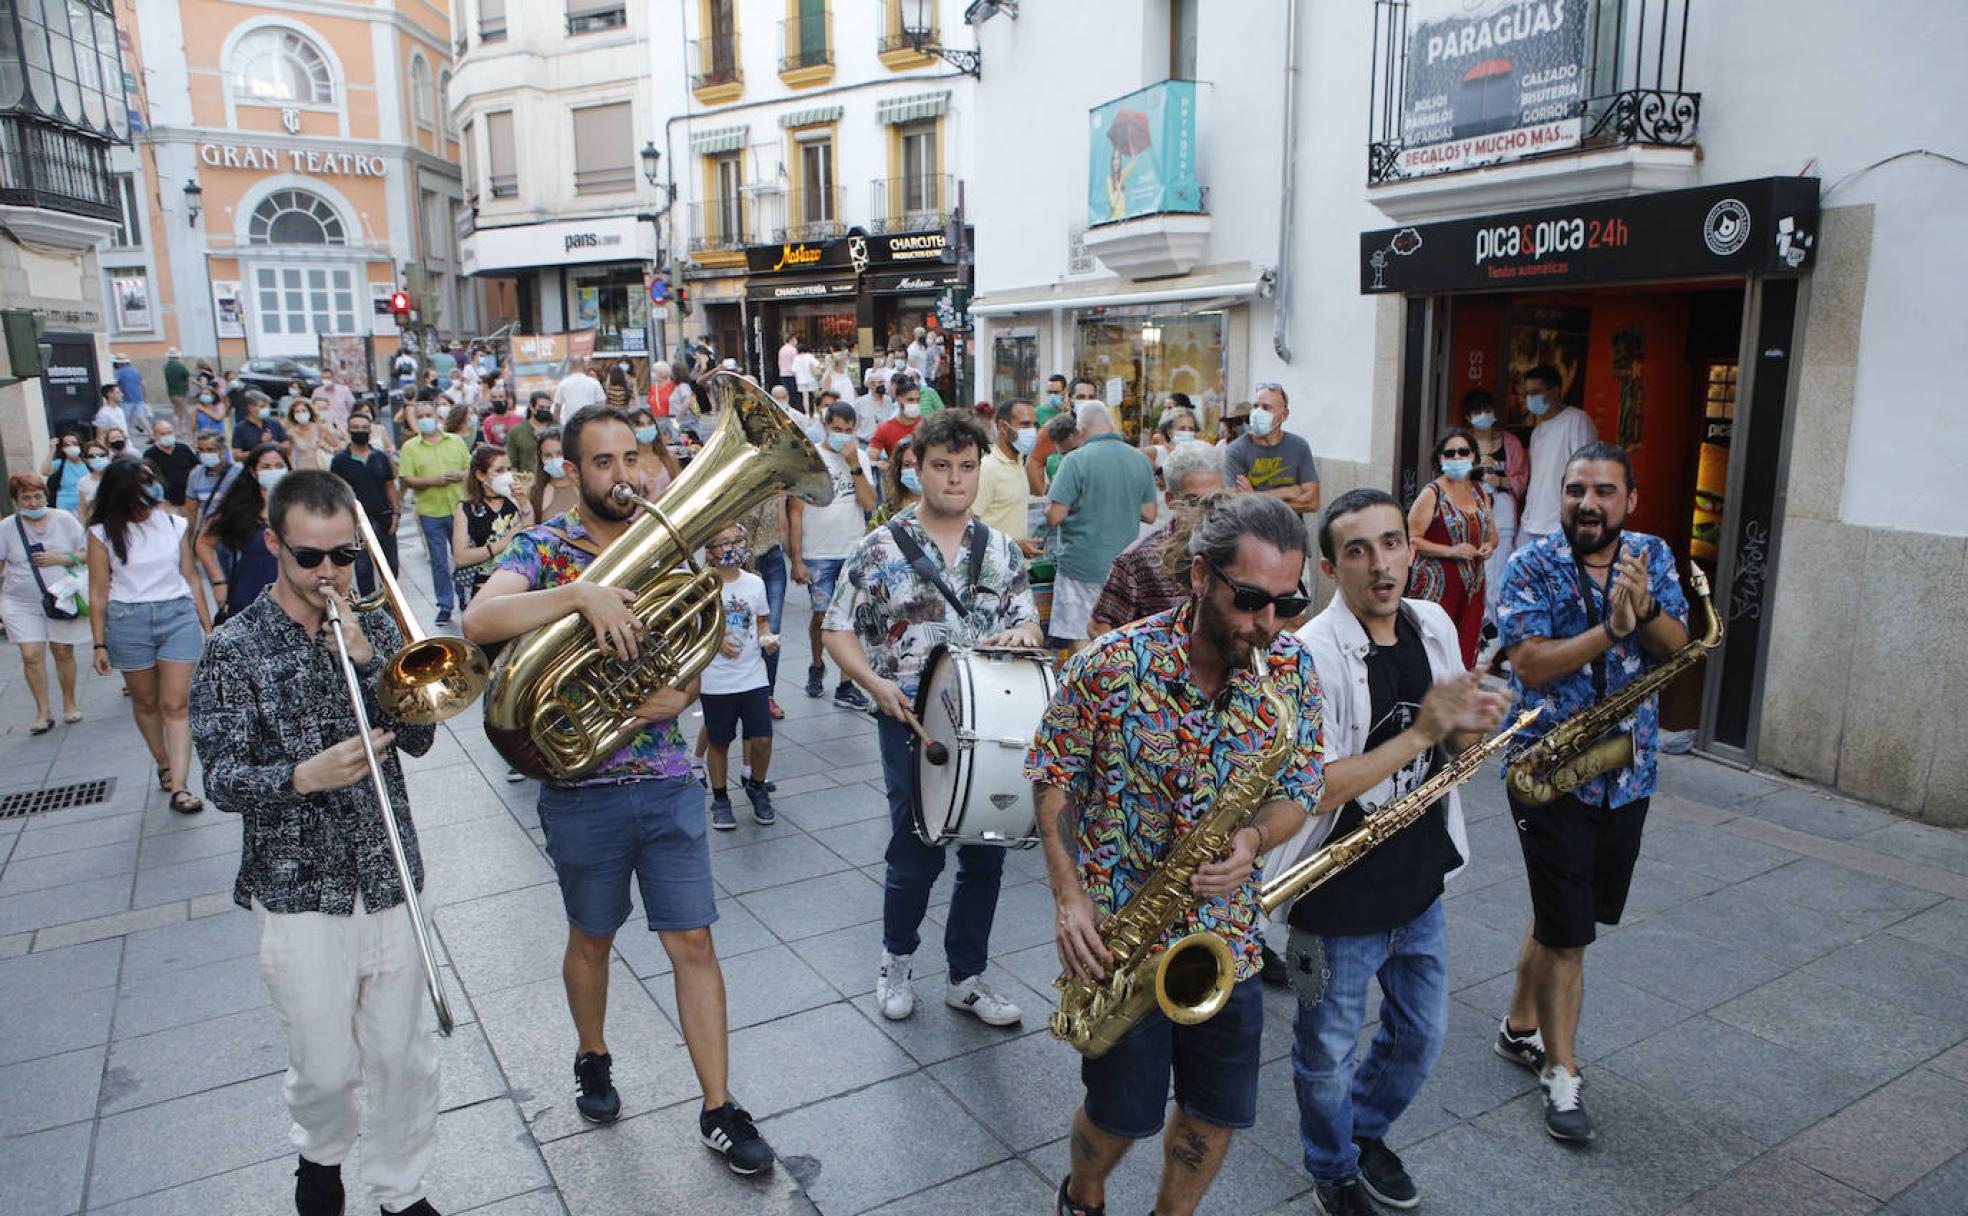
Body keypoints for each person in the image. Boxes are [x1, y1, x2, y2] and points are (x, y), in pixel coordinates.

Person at [462, 404, 775, 1176]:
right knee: (592, 939)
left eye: (630, 458)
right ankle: (593, 1054)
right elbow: (479, 619)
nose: (622, 475)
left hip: (667, 775)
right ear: (573, 473)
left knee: (693, 941)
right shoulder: (544, 545)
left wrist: (686, 692)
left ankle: (719, 1107)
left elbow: (695, 635)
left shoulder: (668, 543)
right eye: (603, 462)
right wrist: (578, 596)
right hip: (581, 785)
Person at [1028, 492, 1323, 1216]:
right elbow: (1053, 777)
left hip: (1224, 942)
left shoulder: (1290, 674)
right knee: (1120, 1114)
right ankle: (1084, 1193)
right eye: (1251, 599)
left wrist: (1253, 838)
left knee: (1215, 1113)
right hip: (1121, 944)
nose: (1268, 625)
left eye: (1288, 604)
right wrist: (1070, 897)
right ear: (1200, 576)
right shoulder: (1109, 664)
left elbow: (1301, 787)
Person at [188, 471, 444, 1216]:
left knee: (403, 1057)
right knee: (325, 1067)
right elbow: (224, 779)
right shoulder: (232, 648)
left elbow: (422, 739)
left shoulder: (380, 630)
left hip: (389, 870)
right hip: (298, 888)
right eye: (309, 557)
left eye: (344, 556)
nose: (328, 573)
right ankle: (322, 1155)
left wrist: (370, 660)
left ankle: (401, 1189)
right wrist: (301, 776)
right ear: (273, 546)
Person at [1269, 488, 1510, 1215]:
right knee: (1327, 1052)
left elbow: (1450, 739)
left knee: (1421, 1036)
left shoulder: (1431, 622)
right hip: (1337, 893)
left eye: (1393, 543)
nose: (1382, 565)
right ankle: (1332, 1166)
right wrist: (1421, 733)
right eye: (1358, 550)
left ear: (1412, 547)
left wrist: (1472, 724)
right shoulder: (1306, 654)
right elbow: (1309, 788)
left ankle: (1361, 1134)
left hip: (1419, 875)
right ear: (1327, 566)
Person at [1494, 441, 1690, 1143]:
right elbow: (1531, 664)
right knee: (1570, 936)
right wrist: (1610, 629)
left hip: (1627, 770)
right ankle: (1562, 1072)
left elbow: (1678, 647)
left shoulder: (1654, 555)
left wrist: (1646, 611)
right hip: (1548, 773)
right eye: (1577, 489)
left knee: (1566, 916)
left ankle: (1519, 1025)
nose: (1589, 502)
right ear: (1563, 496)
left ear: (1628, 500)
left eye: (1605, 490)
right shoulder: (1532, 564)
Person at [823, 410, 1041, 1029]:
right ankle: (896, 959)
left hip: (991, 719)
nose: (955, 479)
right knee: (916, 848)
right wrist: (873, 682)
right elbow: (836, 628)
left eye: (966, 467)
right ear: (915, 469)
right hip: (912, 721)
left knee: (987, 851)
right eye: (941, 466)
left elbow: (1027, 619)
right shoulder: (878, 547)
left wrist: (1025, 631)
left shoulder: (1000, 549)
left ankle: (966, 977)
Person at [87, 457, 211, 814]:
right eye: (141, 485)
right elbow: (98, 590)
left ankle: (181, 785)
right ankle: (164, 763)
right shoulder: (102, 533)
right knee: (145, 702)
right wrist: (99, 642)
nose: (150, 491)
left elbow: (190, 577)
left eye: (150, 481)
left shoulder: (175, 524)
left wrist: (207, 626)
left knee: (176, 703)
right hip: (128, 620)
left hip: (177, 614)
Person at [1044, 401, 1159, 653]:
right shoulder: (1139, 459)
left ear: (1081, 430)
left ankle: (1087, 688)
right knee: (1119, 641)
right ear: (1110, 425)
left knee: (1080, 635)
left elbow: (1055, 515)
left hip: (1080, 566)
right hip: (1122, 570)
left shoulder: (1074, 460)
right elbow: (1150, 514)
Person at [1088, 438, 1226, 636]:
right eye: (1193, 500)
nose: (1204, 510)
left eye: (1214, 499)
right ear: (1171, 500)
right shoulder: (1138, 560)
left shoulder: (1237, 549)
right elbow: (1100, 628)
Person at [789, 401, 876, 709]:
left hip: (852, 550)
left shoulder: (861, 458)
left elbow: (868, 503)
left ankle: (846, 683)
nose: (843, 435)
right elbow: (796, 513)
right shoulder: (811, 460)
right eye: (837, 429)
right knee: (821, 617)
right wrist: (797, 559)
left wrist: (854, 464)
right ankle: (816, 665)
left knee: (849, 620)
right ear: (826, 426)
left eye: (848, 430)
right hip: (818, 553)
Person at [699, 521, 778, 830]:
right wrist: (716, 641)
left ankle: (757, 787)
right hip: (716, 679)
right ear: (709, 552)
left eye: (738, 540)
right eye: (724, 542)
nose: (733, 548)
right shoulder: (701, 586)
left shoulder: (754, 584)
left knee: (762, 737)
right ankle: (720, 799)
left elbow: (761, 622)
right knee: (719, 741)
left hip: (752, 674)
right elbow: (692, 631)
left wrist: (767, 637)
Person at [2, 473, 89, 732]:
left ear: (46, 495)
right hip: (19, 601)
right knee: (30, 655)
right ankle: (43, 710)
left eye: (38, 496)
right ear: (16, 501)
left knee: (62, 650)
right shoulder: (7, 527)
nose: (33, 503)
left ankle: (69, 702)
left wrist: (61, 559)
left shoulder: (63, 519)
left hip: (61, 598)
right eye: (26, 498)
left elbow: (87, 553)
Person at [1407, 428, 1498, 667]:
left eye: (1463, 452)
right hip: (1437, 588)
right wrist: (1451, 551)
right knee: (1431, 651)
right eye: (1450, 453)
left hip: (1472, 587)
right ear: (1440, 458)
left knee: (1465, 649)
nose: (1457, 457)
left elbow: (1492, 534)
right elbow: (1413, 539)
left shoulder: (1480, 492)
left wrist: (1489, 546)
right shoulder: (1432, 493)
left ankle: (1457, 701)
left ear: (1474, 456)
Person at [397, 400, 471, 625]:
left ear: (437, 416)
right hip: (431, 511)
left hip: (458, 508)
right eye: (420, 416)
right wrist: (432, 481)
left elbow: (470, 468)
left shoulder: (456, 441)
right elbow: (407, 478)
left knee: (463, 558)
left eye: (428, 414)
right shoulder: (410, 447)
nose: (425, 419)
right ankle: (445, 606)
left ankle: (465, 600)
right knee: (439, 561)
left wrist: (460, 475)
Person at [200, 444, 292, 621]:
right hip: (248, 600)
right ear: (253, 472)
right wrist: (219, 581)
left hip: (294, 600)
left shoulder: (303, 505)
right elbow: (204, 542)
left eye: (279, 466)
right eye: (266, 467)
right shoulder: (240, 508)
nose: (273, 471)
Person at [1514, 364, 1596, 552]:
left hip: (1559, 525)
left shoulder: (1576, 420)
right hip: (1530, 522)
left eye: (1535, 392)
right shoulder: (1537, 431)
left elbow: (1588, 472)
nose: (1530, 399)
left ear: (1556, 391)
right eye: (1527, 393)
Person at [1464, 389, 1528, 624]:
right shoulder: (1463, 442)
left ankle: (1493, 629)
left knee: (1496, 574)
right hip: (1470, 512)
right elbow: (1447, 476)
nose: (1483, 415)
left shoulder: (1510, 443)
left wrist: (1500, 480)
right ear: (1468, 417)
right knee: (1472, 573)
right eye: (1477, 412)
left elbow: (1522, 480)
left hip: (1501, 515)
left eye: (1487, 410)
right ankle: (1473, 625)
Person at [450, 444, 533, 611]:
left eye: (508, 469)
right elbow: (460, 557)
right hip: (483, 589)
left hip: (518, 585)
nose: (507, 475)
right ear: (481, 475)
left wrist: (524, 502)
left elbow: (530, 532)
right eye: (499, 471)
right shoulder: (467, 508)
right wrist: (503, 543)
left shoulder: (514, 500)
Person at [1223, 382, 1320, 517]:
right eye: (1256, 406)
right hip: (1253, 533)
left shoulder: (1299, 446)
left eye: (1266, 407)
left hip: (1291, 533)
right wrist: (1289, 491)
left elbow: (1312, 503)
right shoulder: (1236, 450)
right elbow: (1236, 504)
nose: (1258, 412)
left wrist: (1256, 496)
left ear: (1284, 415)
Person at [330, 415, 400, 598]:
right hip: (357, 524)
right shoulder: (339, 461)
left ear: (370, 431)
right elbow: (336, 494)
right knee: (363, 570)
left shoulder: (380, 457)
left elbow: (390, 486)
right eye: (355, 427)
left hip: (384, 519)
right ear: (349, 430)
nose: (360, 431)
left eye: (364, 427)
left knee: (391, 567)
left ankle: (390, 604)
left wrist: (396, 513)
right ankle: (371, 611)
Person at [975, 397, 1041, 557]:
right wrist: (1014, 545)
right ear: (1004, 427)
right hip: (993, 569)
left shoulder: (1017, 461)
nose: (1032, 431)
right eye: (1025, 424)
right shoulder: (987, 468)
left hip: (1017, 567)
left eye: (1034, 425)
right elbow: (969, 526)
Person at [143, 419, 198, 512]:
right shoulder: (150, 454)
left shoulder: (183, 449)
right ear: (155, 436)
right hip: (167, 503)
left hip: (188, 500)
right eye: (163, 434)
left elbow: (196, 468)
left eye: (169, 432)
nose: (167, 436)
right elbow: (148, 479)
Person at [628, 406, 682, 497]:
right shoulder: (628, 463)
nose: (646, 428)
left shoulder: (668, 457)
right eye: (640, 425)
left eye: (649, 423)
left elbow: (681, 488)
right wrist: (643, 493)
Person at [869, 438, 921, 528]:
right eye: (907, 465)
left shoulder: (946, 508)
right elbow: (870, 539)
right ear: (899, 470)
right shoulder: (888, 509)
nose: (914, 471)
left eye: (920, 464)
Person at [869, 374, 923, 458]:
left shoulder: (927, 425)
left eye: (918, 400)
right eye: (910, 400)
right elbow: (870, 456)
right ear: (898, 399)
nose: (915, 404)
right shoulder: (885, 429)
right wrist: (877, 463)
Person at [531, 430, 581, 521]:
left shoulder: (585, 487)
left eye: (559, 454)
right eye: (548, 455)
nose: (555, 460)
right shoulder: (535, 493)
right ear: (541, 458)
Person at [286, 394, 340, 472]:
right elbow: (289, 455)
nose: (300, 414)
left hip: (322, 469)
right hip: (303, 470)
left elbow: (338, 448)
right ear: (293, 415)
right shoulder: (290, 433)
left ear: (310, 412)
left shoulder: (320, 428)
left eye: (303, 410)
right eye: (297, 412)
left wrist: (327, 448)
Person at [506, 391, 552, 476]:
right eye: (541, 407)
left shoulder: (556, 429)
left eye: (548, 408)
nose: (545, 411)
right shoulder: (517, 431)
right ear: (532, 407)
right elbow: (512, 463)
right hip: (527, 480)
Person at [233, 393, 289, 461]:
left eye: (268, 406)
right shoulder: (240, 428)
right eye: (262, 406)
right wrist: (260, 448)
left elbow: (287, 446)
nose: (266, 409)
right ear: (250, 407)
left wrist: (272, 443)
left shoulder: (274, 423)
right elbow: (236, 455)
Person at [45, 432, 90, 515]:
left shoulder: (88, 464)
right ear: (62, 448)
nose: (71, 447)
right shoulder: (60, 464)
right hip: (65, 509)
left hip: (86, 507)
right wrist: (52, 450)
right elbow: (45, 471)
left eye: (75, 443)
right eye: (67, 444)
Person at [553, 357, 605, 424]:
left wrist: (559, 424)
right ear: (584, 365)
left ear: (570, 366)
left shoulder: (563, 384)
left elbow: (557, 408)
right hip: (590, 423)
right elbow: (601, 405)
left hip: (570, 425)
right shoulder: (594, 383)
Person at [75, 440, 112, 521]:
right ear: (86, 460)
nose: (97, 458)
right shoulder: (83, 482)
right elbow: (83, 510)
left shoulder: (117, 477)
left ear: (108, 456)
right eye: (92, 456)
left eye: (101, 455)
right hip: (95, 525)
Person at [114, 353, 151, 433]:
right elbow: (143, 384)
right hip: (138, 397)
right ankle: (151, 433)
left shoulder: (119, 373)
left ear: (118, 363)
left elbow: (115, 384)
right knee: (141, 416)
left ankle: (125, 434)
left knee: (123, 418)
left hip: (126, 398)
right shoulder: (136, 371)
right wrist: (145, 397)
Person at [164, 347, 192, 429]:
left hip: (171, 393)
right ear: (177, 357)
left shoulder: (166, 367)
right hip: (181, 393)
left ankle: (175, 427)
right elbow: (189, 377)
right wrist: (188, 387)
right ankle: (179, 429)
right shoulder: (180, 366)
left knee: (176, 410)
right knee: (182, 412)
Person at [791, 339, 819, 413]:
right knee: (815, 396)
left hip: (801, 380)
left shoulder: (796, 358)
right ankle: (816, 412)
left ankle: (807, 413)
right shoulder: (809, 356)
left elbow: (794, 370)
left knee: (805, 397)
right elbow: (817, 364)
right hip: (811, 379)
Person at [776, 332, 800, 402]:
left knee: (787, 394)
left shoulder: (781, 349)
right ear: (791, 339)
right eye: (794, 339)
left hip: (783, 374)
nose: (795, 341)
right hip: (791, 375)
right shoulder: (793, 350)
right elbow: (796, 364)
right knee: (794, 396)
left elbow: (779, 362)